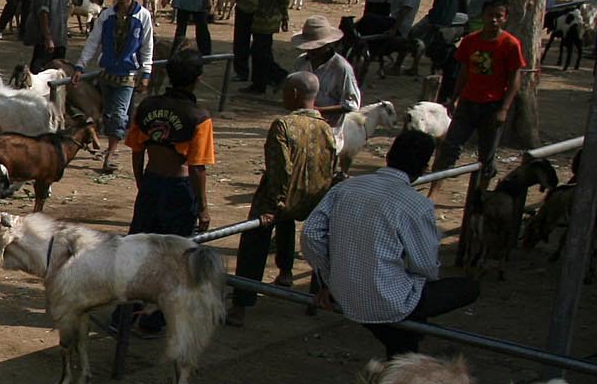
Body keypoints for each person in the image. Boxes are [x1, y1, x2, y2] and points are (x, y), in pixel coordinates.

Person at [304, 130, 479, 357]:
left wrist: (327, 278)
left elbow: (311, 235)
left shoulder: (345, 187)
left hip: (341, 292)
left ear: (388, 155)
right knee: (469, 288)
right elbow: (426, 266)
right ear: (424, 168)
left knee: (400, 334)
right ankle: (411, 340)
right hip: (390, 301)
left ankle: (409, 339)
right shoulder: (416, 205)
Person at [227, 73, 337, 327]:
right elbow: (330, 167)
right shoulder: (326, 127)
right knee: (294, 228)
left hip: (281, 197)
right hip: (312, 198)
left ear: (295, 95)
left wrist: (273, 204)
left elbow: (280, 169)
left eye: (286, 91)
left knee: (254, 242)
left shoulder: (283, 125)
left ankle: (241, 304)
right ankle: (290, 274)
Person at [430, 0, 527, 181]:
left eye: (498, 16)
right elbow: (464, 72)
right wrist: (454, 97)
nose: (494, 20)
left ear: (505, 18)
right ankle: (435, 189)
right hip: (468, 101)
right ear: (483, 15)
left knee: (487, 155)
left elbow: (515, 78)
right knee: (449, 147)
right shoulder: (470, 41)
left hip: (493, 105)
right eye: (490, 15)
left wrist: (504, 109)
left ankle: (479, 195)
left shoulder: (510, 44)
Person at [125, 47, 215, 235]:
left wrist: (142, 184)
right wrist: (202, 208)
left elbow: (137, 150)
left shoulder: (147, 106)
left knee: (141, 246)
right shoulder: (199, 117)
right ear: (198, 79)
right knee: (175, 252)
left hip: (150, 183)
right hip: (179, 190)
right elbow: (197, 167)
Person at [77, 0, 155, 174]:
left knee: (118, 115)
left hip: (128, 73)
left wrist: (146, 72)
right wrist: (81, 65)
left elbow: (147, 46)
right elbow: (93, 41)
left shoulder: (142, 16)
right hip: (107, 72)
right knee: (106, 112)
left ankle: (111, 153)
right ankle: (109, 145)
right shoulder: (107, 16)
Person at [290, 16, 360, 125]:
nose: (312, 51)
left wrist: (320, 110)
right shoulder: (301, 62)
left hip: (331, 128)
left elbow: (352, 104)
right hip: (303, 125)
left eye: (316, 48)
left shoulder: (341, 68)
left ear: (328, 45)